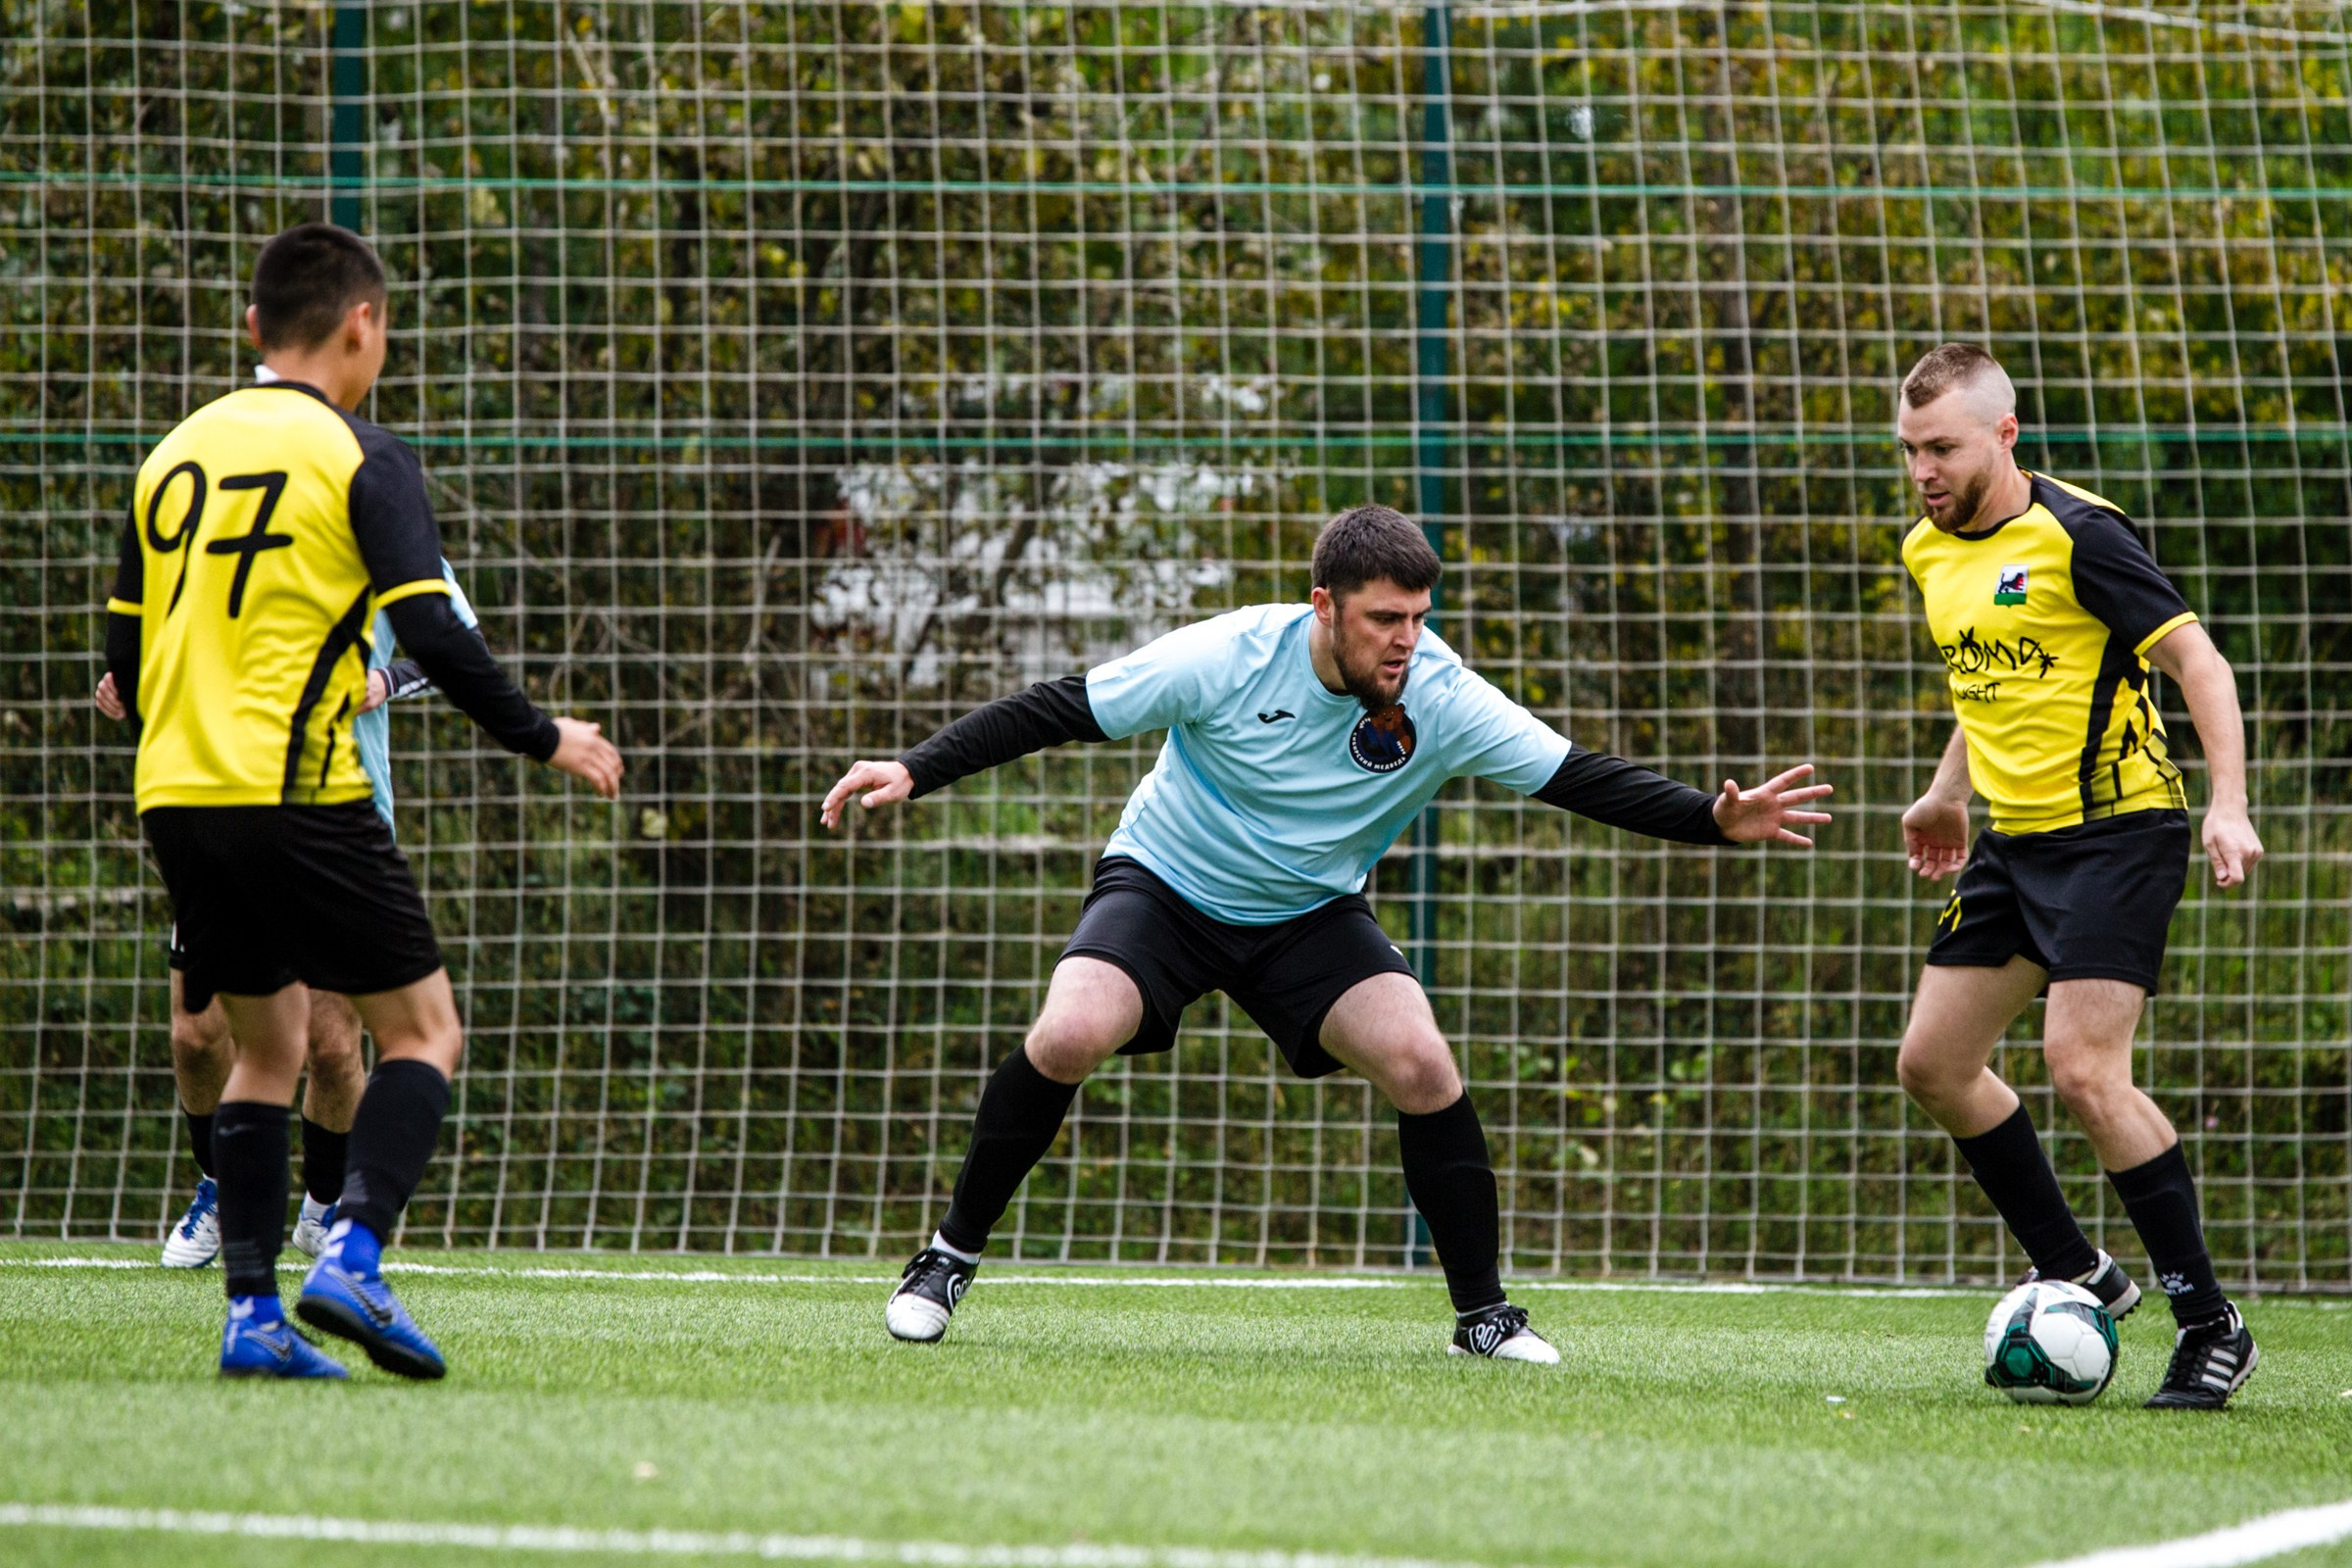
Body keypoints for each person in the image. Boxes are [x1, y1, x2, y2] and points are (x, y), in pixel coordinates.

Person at [821, 504, 1831, 1359]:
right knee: (1072, 1031)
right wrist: (916, 766)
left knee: (1420, 1059)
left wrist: (1711, 817)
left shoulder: (1438, 691)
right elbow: (1057, 707)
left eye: (1419, 617)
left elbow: (1577, 776)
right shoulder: (1229, 654)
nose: (1406, 639)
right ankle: (948, 1257)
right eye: (1385, 617)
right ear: (1324, 607)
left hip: (1307, 911)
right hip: (1167, 883)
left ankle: (1483, 1316)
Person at [104, 221, 623, 1379]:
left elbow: (122, 663)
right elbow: (433, 626)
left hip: (176, 794)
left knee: (266, 1047)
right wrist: (547, 737)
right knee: (424, 1031)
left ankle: (253, 1317)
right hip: (300, 788)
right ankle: (354, 1252)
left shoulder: (170, 457)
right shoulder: (362, 455)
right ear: (364, 326)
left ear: (251, 331)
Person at [1891, 343, 2262, 1409]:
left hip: (2120, 831)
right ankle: (2082, 1269)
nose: (1924, 468)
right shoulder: (1927, 548)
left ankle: (2209, 1321)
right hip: (2016, 842)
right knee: (1934, 1062)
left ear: (2004, 436)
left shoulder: (2079, 534)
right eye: (1910, 448)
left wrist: (2228, 804)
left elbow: (2199, 661)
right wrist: (1947, 791)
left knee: (2085, 1070)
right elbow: (1990, 683)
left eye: (1943, 447)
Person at [99, 549, 480, 1270]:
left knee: (333, 1047)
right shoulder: (225, 520)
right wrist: (135, 678)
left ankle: (321, 1208)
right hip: (222, 808)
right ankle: (218, 1186)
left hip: (340, 821)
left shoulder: (381, 523)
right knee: (196, 1036)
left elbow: (462, 645)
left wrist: (386, 677)